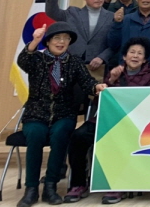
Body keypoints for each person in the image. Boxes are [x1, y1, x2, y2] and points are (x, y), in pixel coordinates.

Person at [15, 22, 106, 207]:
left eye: (66, 38)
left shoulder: (74, 62)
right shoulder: (37, 59)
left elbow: (87, 81)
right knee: (35, 135)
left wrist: (96, 87)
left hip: (63, 114)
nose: (61, 42)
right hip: (36, 113)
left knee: (61, 135)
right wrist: (35, 41)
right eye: (57, 38)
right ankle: (31, 189)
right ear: (48, 41)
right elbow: (22, 61)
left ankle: (51, 186)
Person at [65, 38, 150, 205]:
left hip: (133, 124)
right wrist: (111, 81)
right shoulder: (114, 73)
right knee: (78, 137)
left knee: (118, 139)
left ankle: (116, 185)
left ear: (145, 59)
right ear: (124, 56)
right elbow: (98, 101)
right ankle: (78, 184)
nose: (135, 56)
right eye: (132, 52)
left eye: (139, 54)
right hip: (105, 120)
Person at [44, 0, 112, 77]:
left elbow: (115, 44)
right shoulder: (73, 13)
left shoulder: (111, 17)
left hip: (97, 68)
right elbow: (52, 12)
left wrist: (102, 57)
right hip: (71, 65)